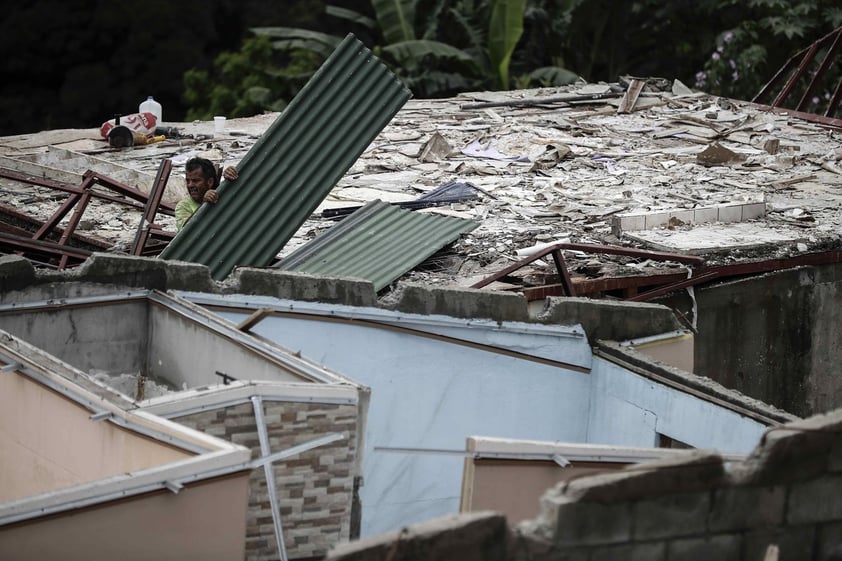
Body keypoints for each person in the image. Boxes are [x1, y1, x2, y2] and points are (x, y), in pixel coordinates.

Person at [175, 157, 239, 230]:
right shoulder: (183, 206)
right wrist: (204, 205)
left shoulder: (223, 195)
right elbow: (184, 233)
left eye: (195, 181)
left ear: (210, 182)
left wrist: (232, 173)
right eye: (188, 181)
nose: (190, 185)